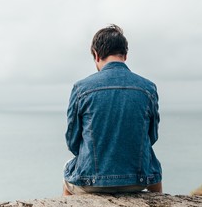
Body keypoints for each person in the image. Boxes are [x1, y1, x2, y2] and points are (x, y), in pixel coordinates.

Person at [63, 24, 162, 195]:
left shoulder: (81, 88)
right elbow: (152, 137)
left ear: (96, 54)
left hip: (92, 182)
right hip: (137, 181)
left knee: (67, 174)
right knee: (155, 174)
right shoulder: (148, 88)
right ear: (125, 55)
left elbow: (73, 143)